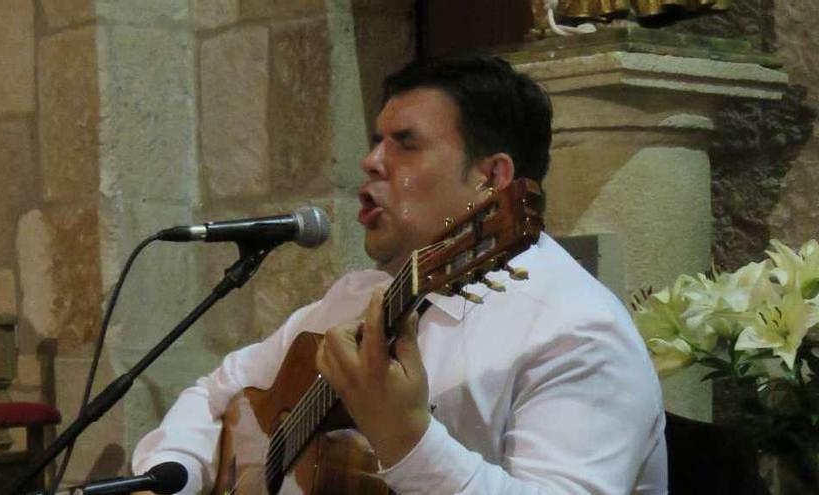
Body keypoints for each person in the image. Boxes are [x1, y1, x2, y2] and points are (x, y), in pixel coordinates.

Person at [132, 55, 667, 494]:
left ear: (492, 178)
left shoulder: (577, 332)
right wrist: (173, 473)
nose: (370, 161)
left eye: (405, 144)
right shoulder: (361, 298)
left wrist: (406, 438)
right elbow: (217, 391)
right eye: (376, 140)